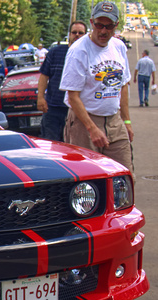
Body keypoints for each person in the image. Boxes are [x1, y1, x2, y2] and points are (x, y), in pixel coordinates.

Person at [59, 1, 134, 177]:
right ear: (92, 23)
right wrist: (92, 128)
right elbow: (73, 97)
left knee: (124, 175)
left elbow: (123, 86)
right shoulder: (79, 51)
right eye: (99, 25)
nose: (103, 31)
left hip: (114, 120)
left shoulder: (119, 47)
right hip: (84, 122)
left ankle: (122, 206)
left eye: (108, 26)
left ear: (116, 26)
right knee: (87, 178)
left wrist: (127, 121)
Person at [37, 20, 88, 141]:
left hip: (77, 111)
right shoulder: (55, 52)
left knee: (75, 148)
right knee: (52, 146)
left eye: (81, 33)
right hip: (53, 109)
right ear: (69, 34)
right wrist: (40, 98)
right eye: (74, 32)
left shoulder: (89, 55)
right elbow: (44, 76)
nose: (77, 35)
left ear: (86, 35)